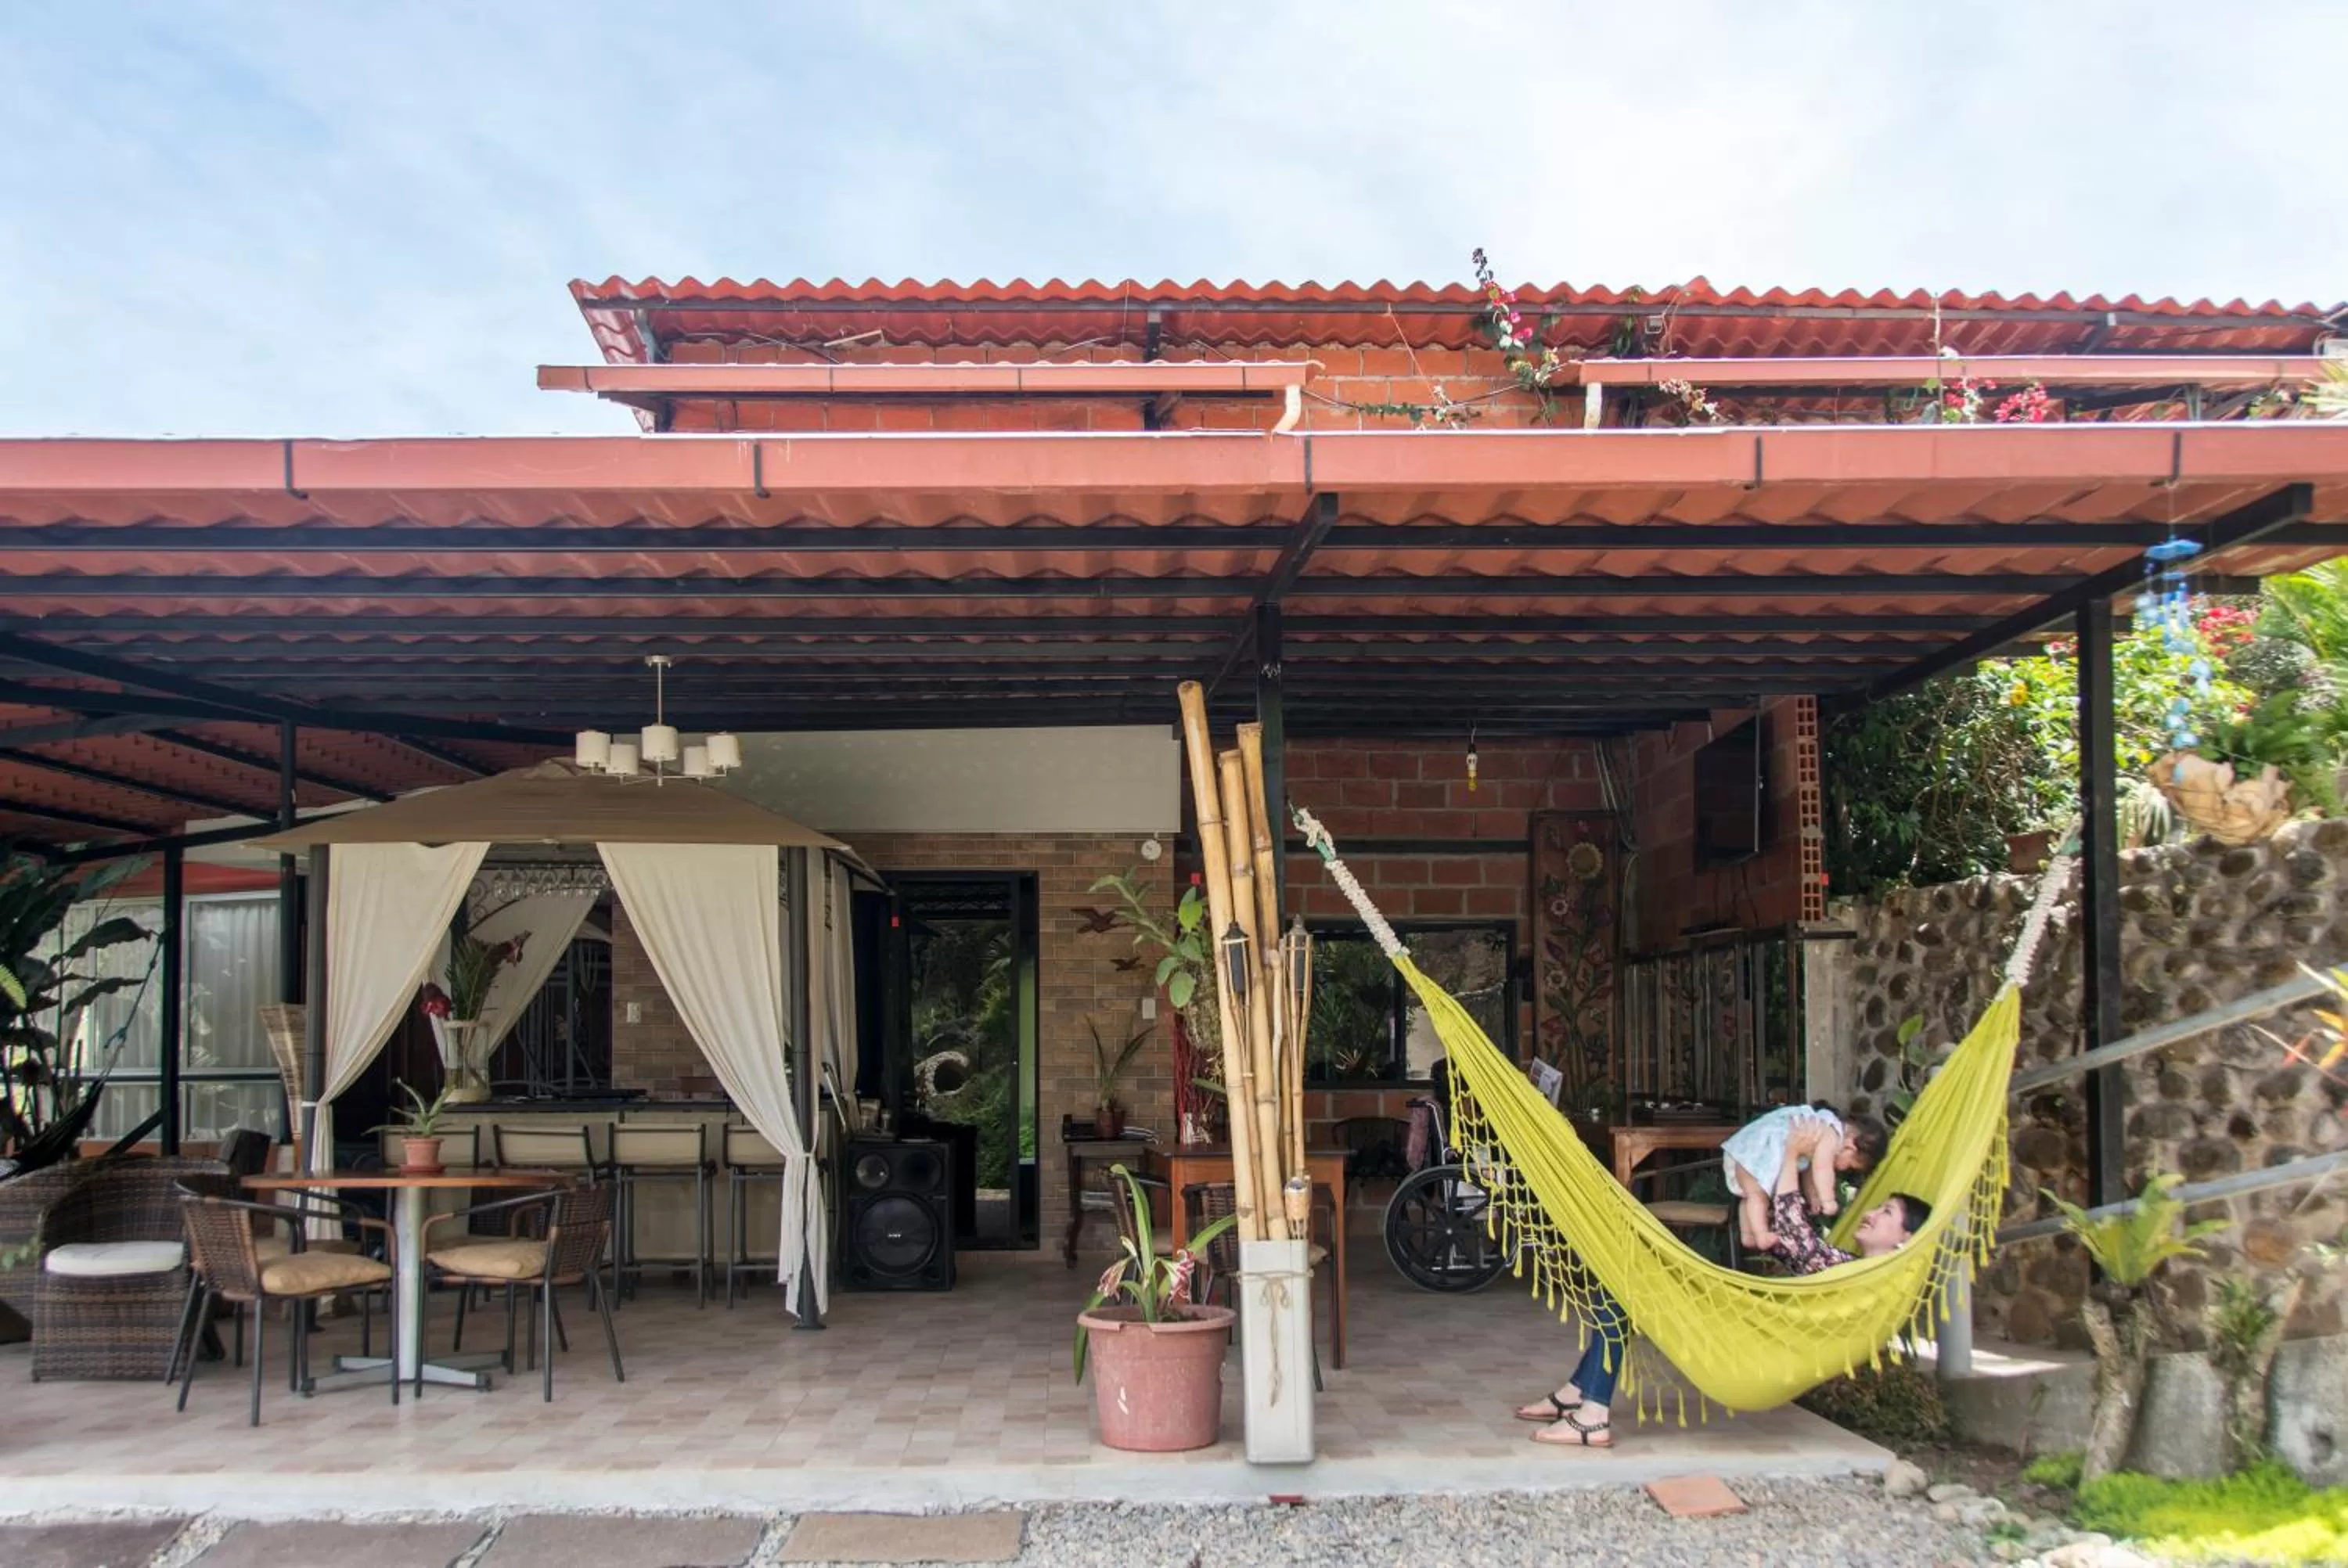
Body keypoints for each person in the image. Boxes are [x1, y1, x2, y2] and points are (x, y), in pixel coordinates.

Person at [1514, 1141, 1930, 1448]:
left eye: (1887, 1213)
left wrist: (1788, 1155)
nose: (1872, 1213)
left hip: (1748, 1345)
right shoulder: (1852, 1264)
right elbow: (1786, 1241)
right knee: (1622, 1285)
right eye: (1879, 1208)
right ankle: (1579, 1394)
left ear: (1905, 1240)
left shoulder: (1859, 1275)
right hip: (1742, 1326)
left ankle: (1592, 1415)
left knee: (1623, 1287)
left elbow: (1794, 1233)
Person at [1720, 1102, 1887, 1253]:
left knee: (1751, 1196)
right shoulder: (1831, 1134)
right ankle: (1761, 1234)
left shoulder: (1820, 1125)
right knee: (1758, 1197)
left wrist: (1814, 1197)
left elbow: (1809, 1170)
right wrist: (1828, 1200)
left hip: (1745, 1152)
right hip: (1755, 1153)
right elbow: (1822, 1169)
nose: (1844, 1169)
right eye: (1851, 1166)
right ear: (1850, 1147)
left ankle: (1748, 1236)